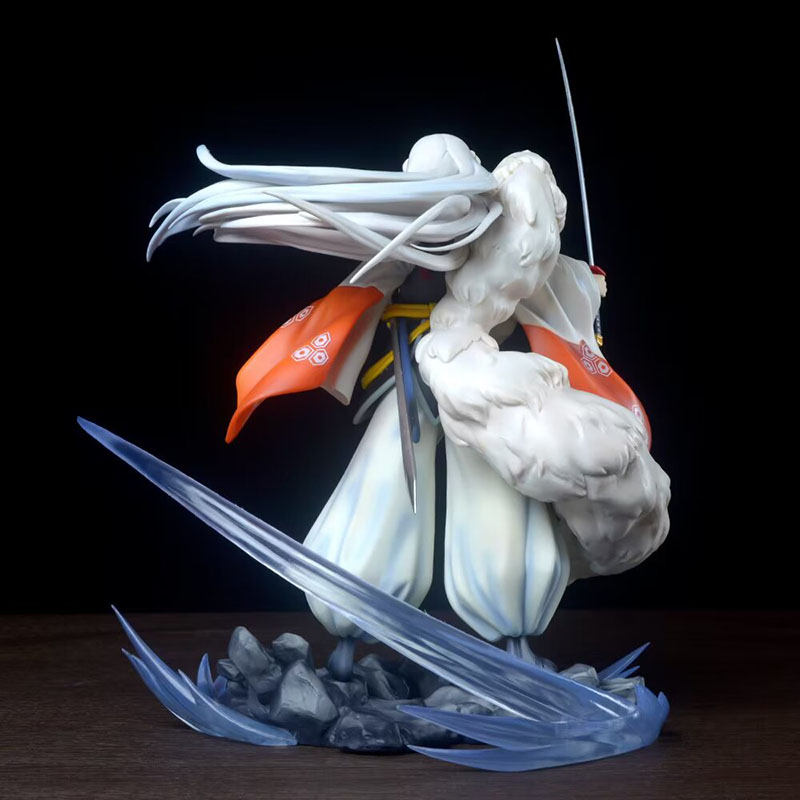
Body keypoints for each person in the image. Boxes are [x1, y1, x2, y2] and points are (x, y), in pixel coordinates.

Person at [148, 133, 670, 679]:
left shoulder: (496, 246)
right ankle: (347, 647)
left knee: (496, 504)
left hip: (475, 382)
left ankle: (516, 644)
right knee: (382, 496)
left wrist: (579, 285)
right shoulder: (398, 253)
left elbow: (540, 287)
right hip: (410, 387)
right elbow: (368, 294)